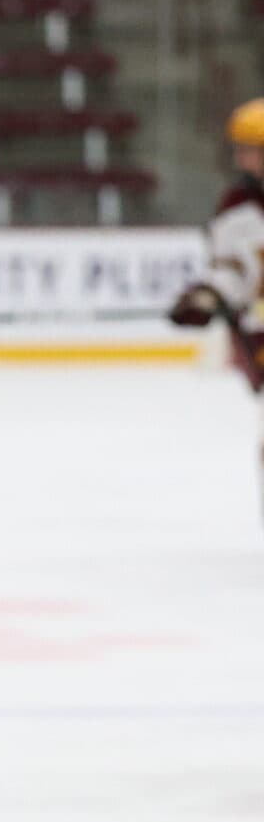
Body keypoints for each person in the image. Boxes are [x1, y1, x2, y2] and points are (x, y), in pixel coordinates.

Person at [169, 98, 264, 520]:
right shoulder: (239, 207)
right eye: (240, 148)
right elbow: (234, 266)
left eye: (252, 148)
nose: (242, 158)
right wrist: (207, 296)